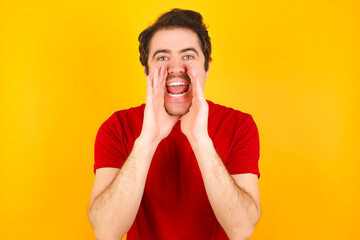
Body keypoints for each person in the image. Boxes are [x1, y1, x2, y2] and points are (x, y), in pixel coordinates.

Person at [88, 8, 261, 240]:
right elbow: (106, 232)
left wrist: (201, 139)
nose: (176, 67)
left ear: (206, 67)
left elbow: (242, 230)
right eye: (162, 57)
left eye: (188, 56)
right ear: (146, 71)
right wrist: (147, 139)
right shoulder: (116, 127)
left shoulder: (240, 126)